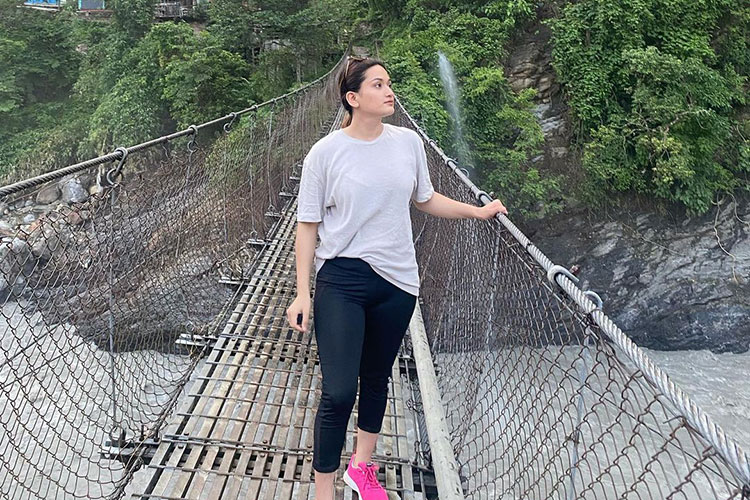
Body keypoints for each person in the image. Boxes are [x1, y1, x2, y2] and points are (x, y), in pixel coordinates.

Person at [285, 55, 507, 500]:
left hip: (398, 282)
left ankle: (361, 468)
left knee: (377, 377)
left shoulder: (408, 143)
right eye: (378, 85)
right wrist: (302, 294)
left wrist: (477, 211)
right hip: (342, 280)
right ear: (353, 98)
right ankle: (324, 490)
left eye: (389, 83)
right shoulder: (325, 154)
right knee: (338, 391)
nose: (390, 92)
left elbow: (425, 198)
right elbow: (307, 225)